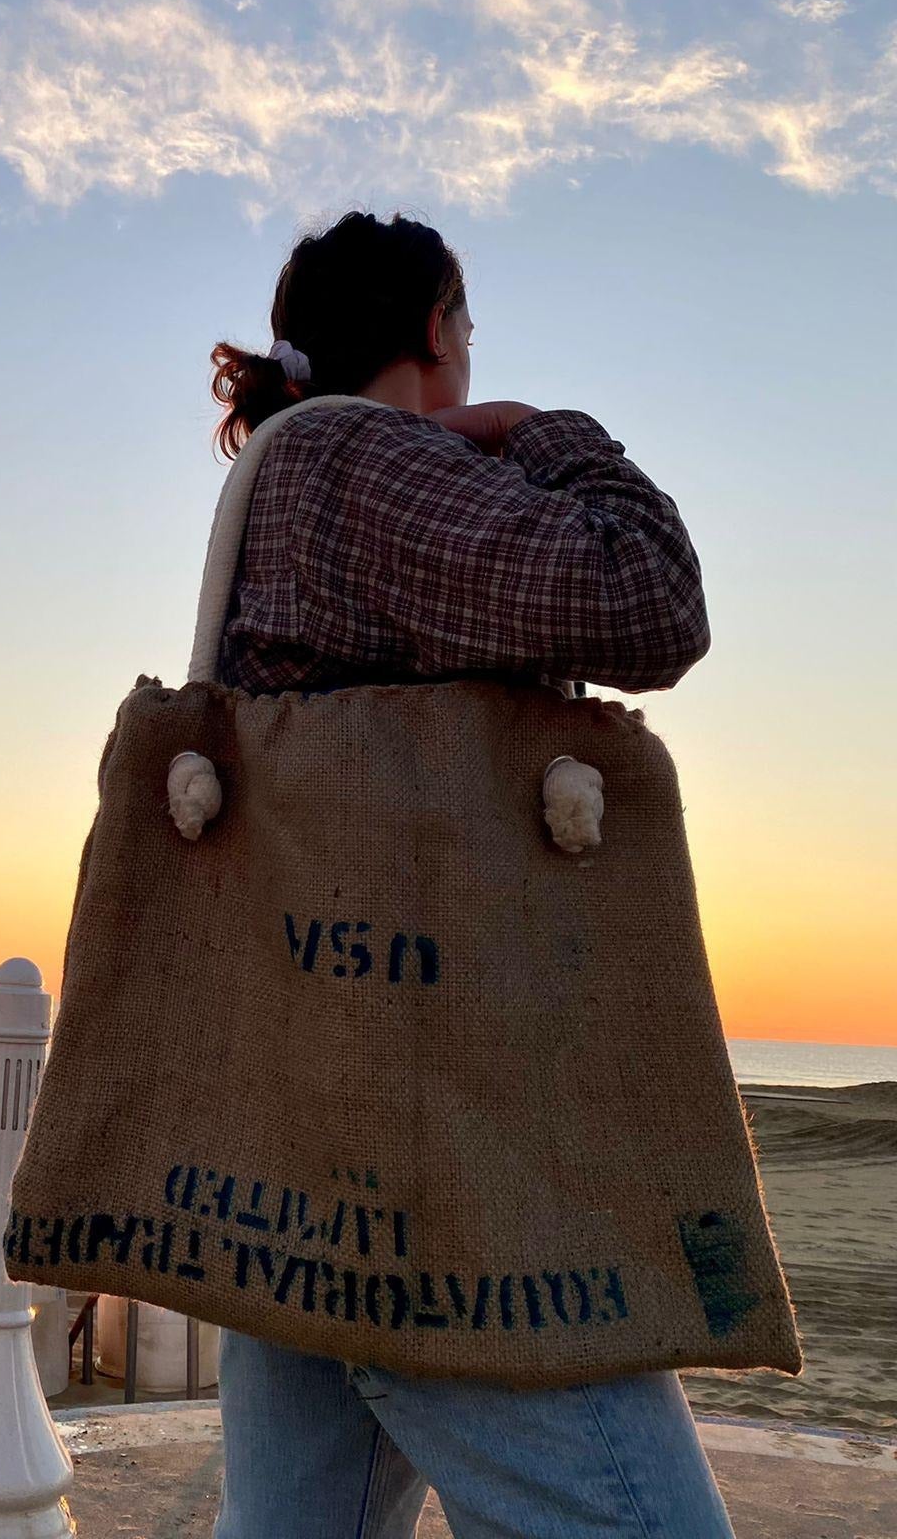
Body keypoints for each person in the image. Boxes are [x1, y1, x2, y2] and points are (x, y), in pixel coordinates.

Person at [207, 209, 732, 1539]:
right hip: (435, 1147)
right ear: (437, 328)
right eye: (468, 333)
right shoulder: (367, 466)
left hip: (301, 1133)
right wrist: (538, 429)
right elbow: (652, 596)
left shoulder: (289, 475)